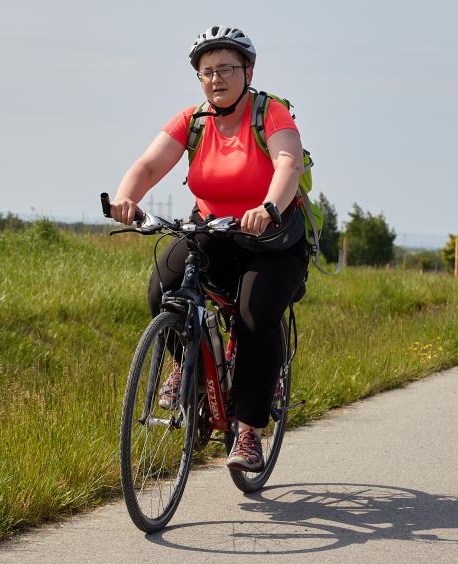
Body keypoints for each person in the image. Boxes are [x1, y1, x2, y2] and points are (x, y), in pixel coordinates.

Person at [106, 26, 308, 471]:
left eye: (226, 69)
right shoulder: (193, 121)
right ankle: (192, 372)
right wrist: (126, 198)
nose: (216, 78)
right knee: (164, 287)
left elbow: (288, 162)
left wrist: (269, 207)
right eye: (207, 71)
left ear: (248, 71)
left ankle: (249, 432)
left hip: (273, 239)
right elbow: (149, 165)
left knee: (254, 315)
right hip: (214, 230)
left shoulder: (269, 113)